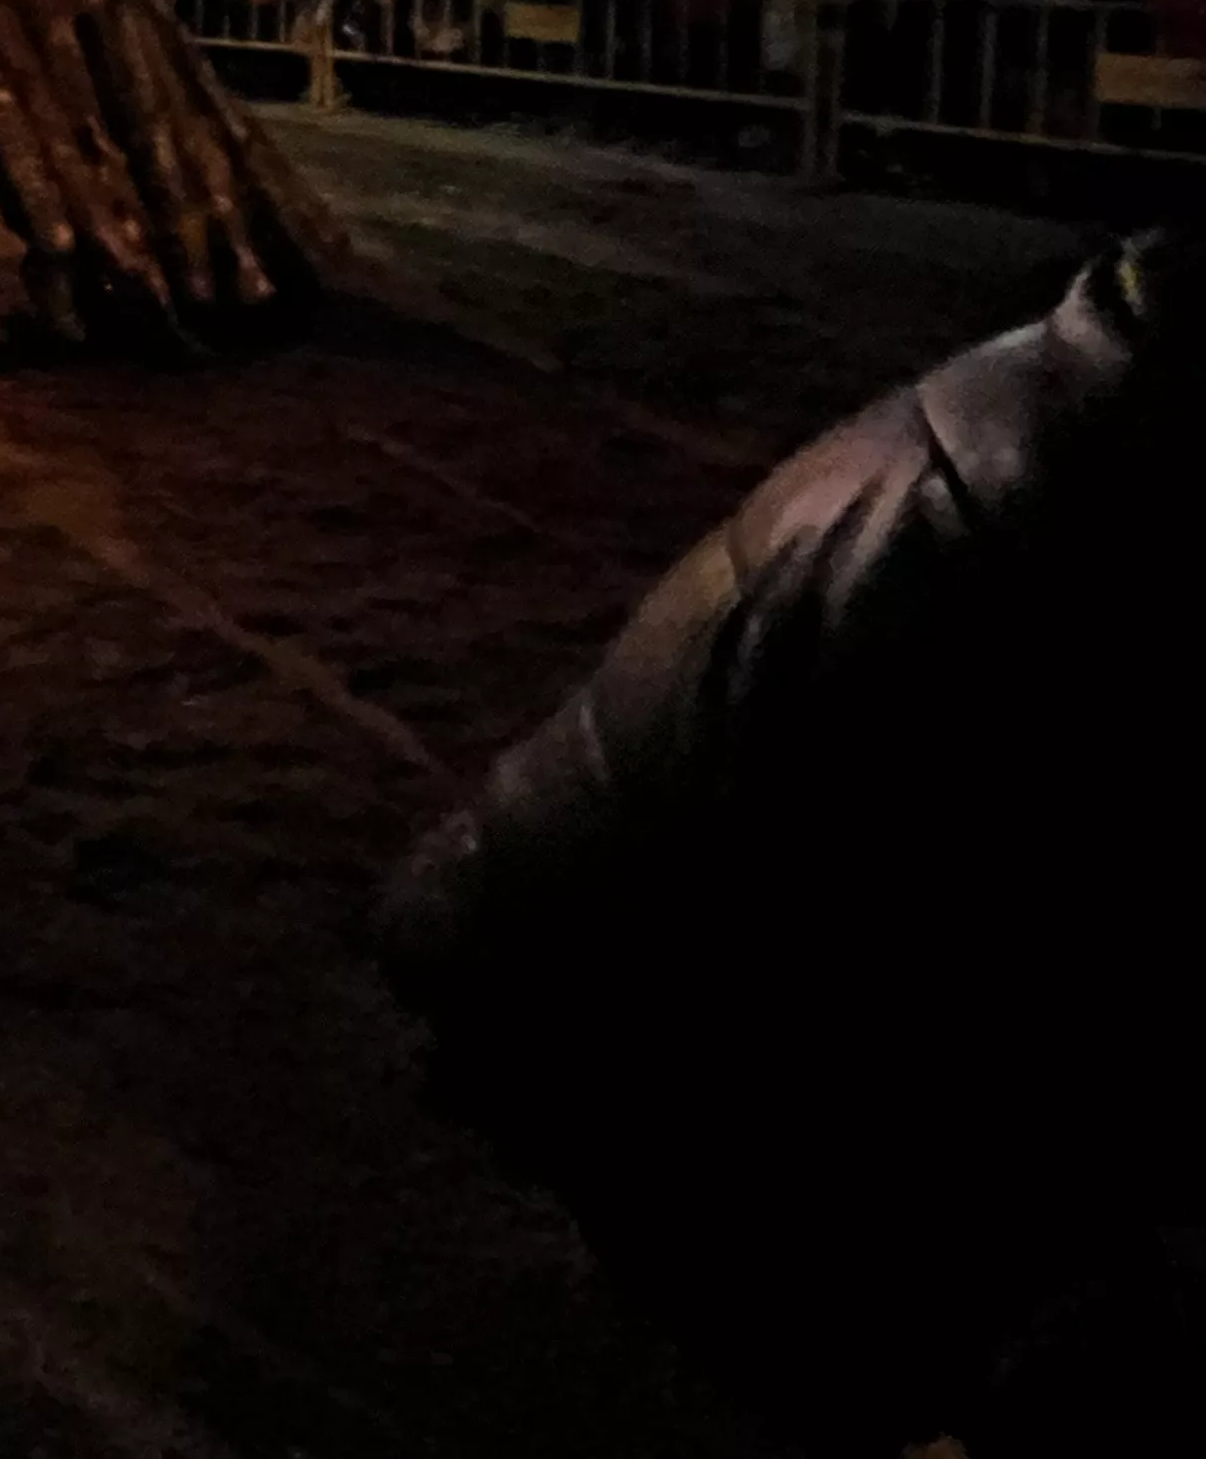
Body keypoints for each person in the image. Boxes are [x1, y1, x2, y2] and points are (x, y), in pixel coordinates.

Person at [383, 226, 1206, 1454]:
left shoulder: (1095, 421)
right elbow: (1009, 1002)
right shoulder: (1031, 553)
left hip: (663, 951)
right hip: (616, 1010)